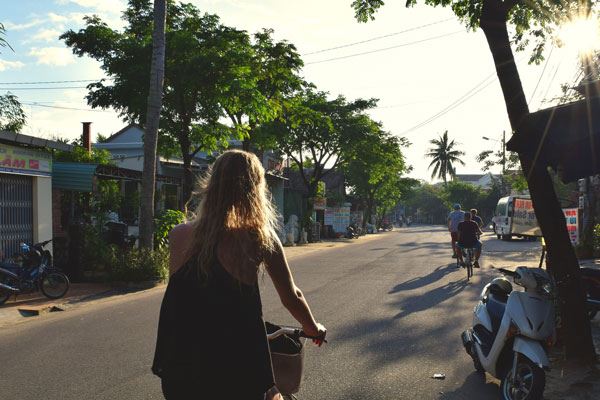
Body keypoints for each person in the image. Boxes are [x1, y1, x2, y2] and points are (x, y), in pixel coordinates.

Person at [152, 150, 326, 400]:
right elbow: (291, 296)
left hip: (180, 366)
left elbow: (185, 299)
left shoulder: (179, 235)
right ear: (256, 189)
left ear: (212, 185)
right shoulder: (260, 238)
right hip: (237, 369)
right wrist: (313, 328)